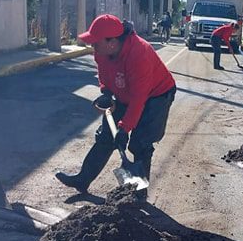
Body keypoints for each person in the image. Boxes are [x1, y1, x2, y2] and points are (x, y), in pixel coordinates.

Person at [56, 14, 176, 194]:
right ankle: (83, 179)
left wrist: (125, 128)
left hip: (156, 95)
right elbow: (104, 73)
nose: (92, 46)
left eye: (96, 42)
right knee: (106, 137)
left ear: (112, 42)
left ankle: (137, 193)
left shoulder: (139, 53)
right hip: (126, 94)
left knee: (140, 142)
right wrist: (106, 92)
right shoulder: (101, 52)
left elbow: (138, 98)